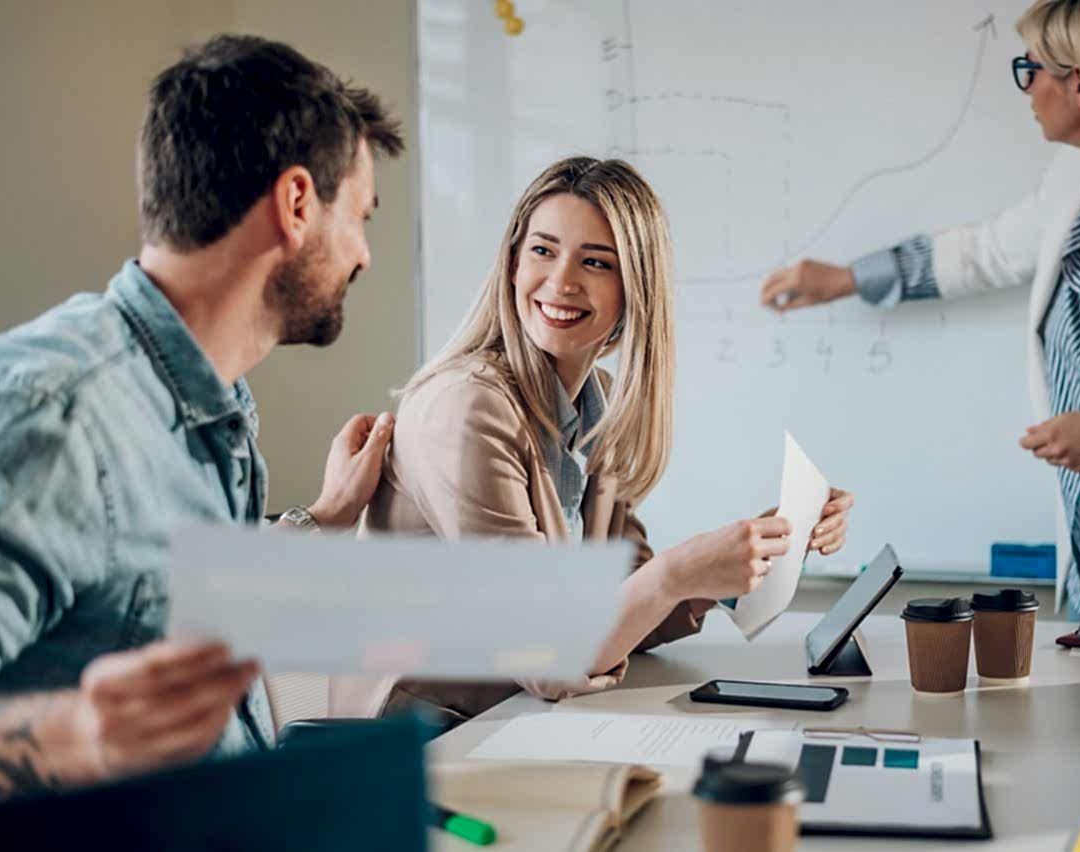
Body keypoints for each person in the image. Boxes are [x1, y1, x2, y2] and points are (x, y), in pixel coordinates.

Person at [760, 0, 1080, 626]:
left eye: (1030, 68)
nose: (1026, 86)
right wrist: (847, 279)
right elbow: (984, 253)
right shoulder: (1077, 181)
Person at [0, 34, 404, 799]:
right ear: (295, 205)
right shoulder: (54, 415)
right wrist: (80, 737)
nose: (363, 254)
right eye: (359, 216)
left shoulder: (209, 409)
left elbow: (141, 596)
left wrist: (318, 519)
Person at [357, 157, 854, 724]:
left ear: (634, 292)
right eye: (542, 250)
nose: (562, 281)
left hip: (521, 721)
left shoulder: (598, 403)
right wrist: (677, 573)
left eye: (595, 262)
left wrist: (758, 550)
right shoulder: (468, 406)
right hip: (430, 740)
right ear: (513, 264)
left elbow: (627, 597)